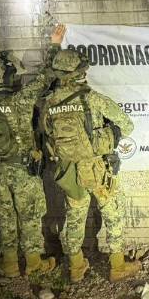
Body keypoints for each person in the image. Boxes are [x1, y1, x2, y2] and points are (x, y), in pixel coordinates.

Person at [0, 25, 66, 277]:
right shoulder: (18, 100)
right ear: (5, 77)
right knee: (29, 215)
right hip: (22, 168)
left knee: (4, 216)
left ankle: (10, 264)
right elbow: (46, 76)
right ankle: (33, 262)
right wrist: (55, 44)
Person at [39, 41, 137, 283]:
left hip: (67, 171)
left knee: (74, 217)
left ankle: (76, 267)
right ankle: (117, 266)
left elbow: (46, 134)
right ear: (80, 72)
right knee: (112, 212)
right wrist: (108, 133)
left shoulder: (48, 103)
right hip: (95, 168)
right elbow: (127, 125)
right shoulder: (91, 99)